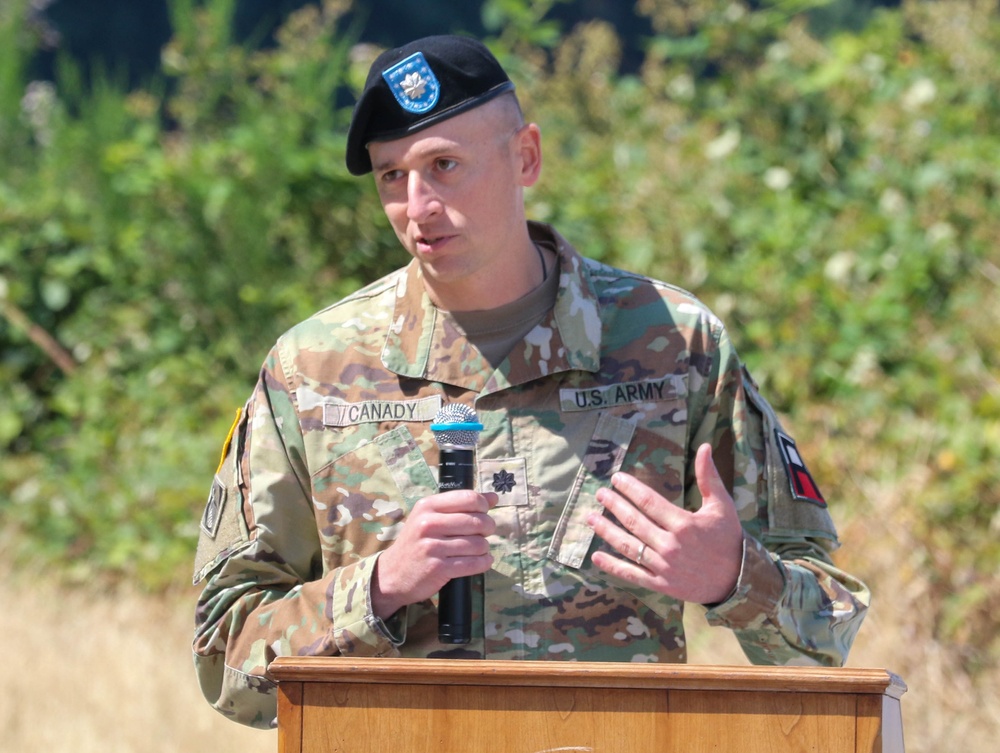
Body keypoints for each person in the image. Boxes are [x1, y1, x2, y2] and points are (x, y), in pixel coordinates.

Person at [192, 35, 869, 728]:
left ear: (526, 157)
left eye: (444, 165)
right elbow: (224, 661)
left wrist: (734, 578)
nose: (416, 205)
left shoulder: (671, 343)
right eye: (391, 176)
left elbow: (827, 636)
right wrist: (380, 586)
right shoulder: (315, 370)